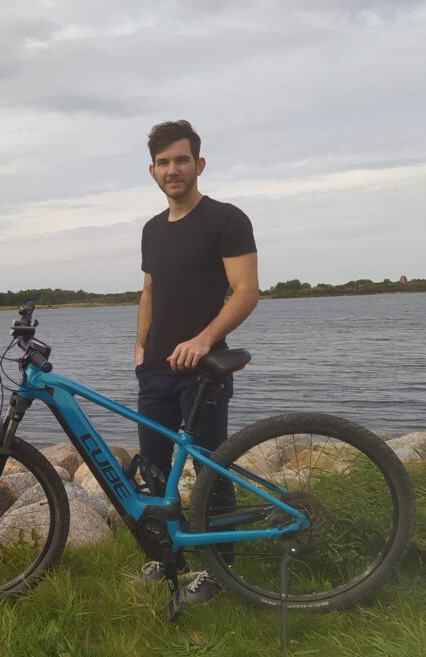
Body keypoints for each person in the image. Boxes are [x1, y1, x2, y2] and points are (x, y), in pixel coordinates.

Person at [134, 120, 260, 604]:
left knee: (213, 471)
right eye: (163, 162)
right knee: (153, 468)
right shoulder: (151, 230)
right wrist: (139, 347)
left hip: (204, 373)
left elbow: (246, 291)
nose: (173, 170)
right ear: (152, 170)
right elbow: (149, 292)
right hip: (155, 373)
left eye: (181, 160)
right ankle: (169, 558)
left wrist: (206, 339)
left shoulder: (226, 219)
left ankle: (220, 572)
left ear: (199, 164)